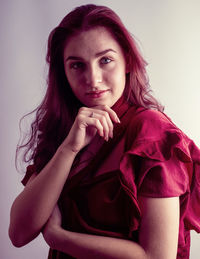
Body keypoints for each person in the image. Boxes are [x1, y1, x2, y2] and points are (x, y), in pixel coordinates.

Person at [9, 4, 200, 259]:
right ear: (63, 72)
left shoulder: (151, 133)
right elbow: (18, 234)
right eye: (77, 65)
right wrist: (68, 149)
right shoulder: (67, 130)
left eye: (106, 60)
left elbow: (157, 256)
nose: (93, 79)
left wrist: (60, 238)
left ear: (128, 61)